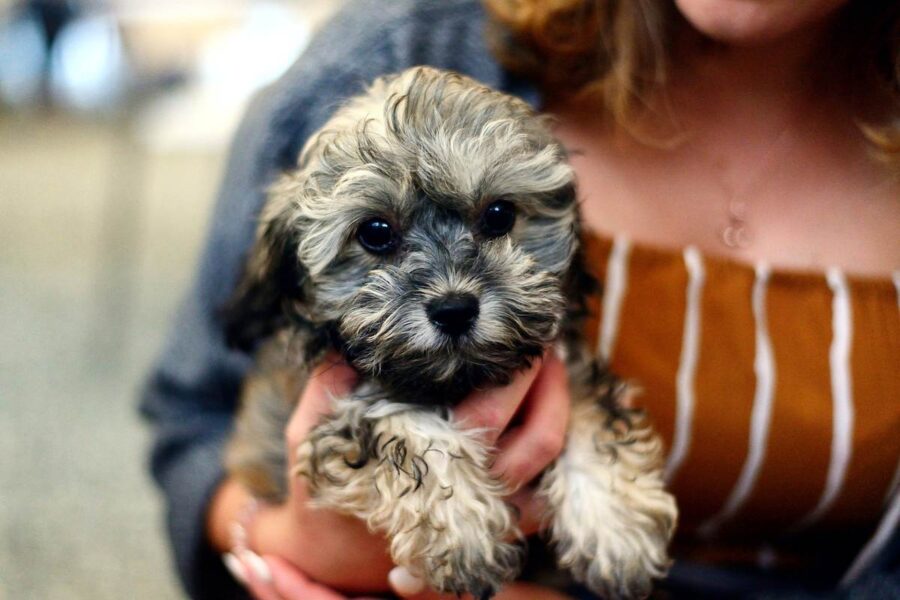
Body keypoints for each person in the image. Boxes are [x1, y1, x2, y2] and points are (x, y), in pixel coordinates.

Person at [140, 0, 900, 598]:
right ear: (289, 263)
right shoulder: (389, 46)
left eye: (496, 221)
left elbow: (589, 410)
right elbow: (192, 417)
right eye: (378, 235)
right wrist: (269, 540)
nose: (450, 289)